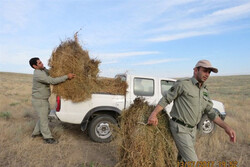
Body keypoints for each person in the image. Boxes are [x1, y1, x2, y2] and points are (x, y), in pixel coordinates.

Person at [147, 60, 236, 163]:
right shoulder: (183, 84)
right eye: (204, 71)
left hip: (193, 130)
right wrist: (153, 114)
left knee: (183, 161)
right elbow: (167, 99)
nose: (207, 74)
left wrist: (227, 127)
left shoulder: (204, 91)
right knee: (193, 162)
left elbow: (211, 113)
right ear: (195, 70)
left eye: (209, 72)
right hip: (180, 128)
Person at [29, 57, 75, 144]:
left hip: (43, 100)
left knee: (44, 117)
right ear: (34, 66)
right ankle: (47, 138)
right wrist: (66, 77)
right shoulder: (38, 74)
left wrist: (54, 67)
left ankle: (35, 133)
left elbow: (50, 73)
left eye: (41, 62)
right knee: (44, 119)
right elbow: (52, 80)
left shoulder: (42, 70)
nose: (42, 63)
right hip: (39, 101)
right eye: (39, 63)